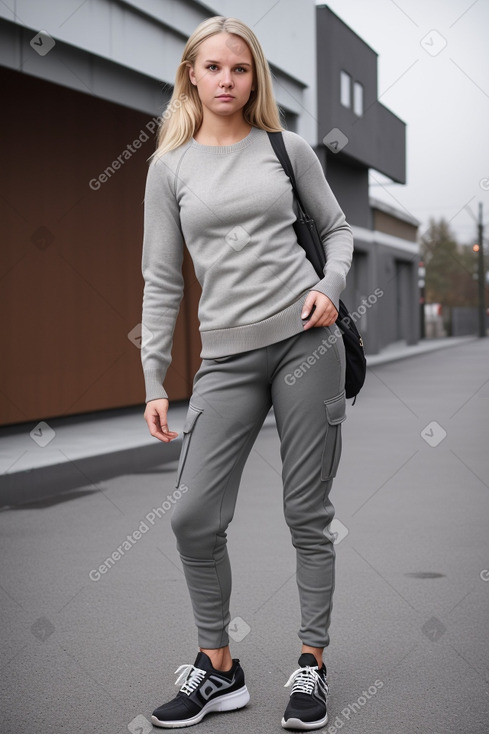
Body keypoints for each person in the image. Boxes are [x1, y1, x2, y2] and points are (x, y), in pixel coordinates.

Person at [141, 15, 353, 731]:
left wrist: (330, 287)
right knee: (193, 515)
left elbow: (338, 231)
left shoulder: (285, 148)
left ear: (253, 76)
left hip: (305, 343)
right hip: (225, 356)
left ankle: (311, 664)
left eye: (239, 68)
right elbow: (161, 281)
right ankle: (218, 669)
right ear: (190, 76)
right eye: (212, 68)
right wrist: (153, 378)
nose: (226, 80)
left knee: (306, 514)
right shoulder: (168, 167)